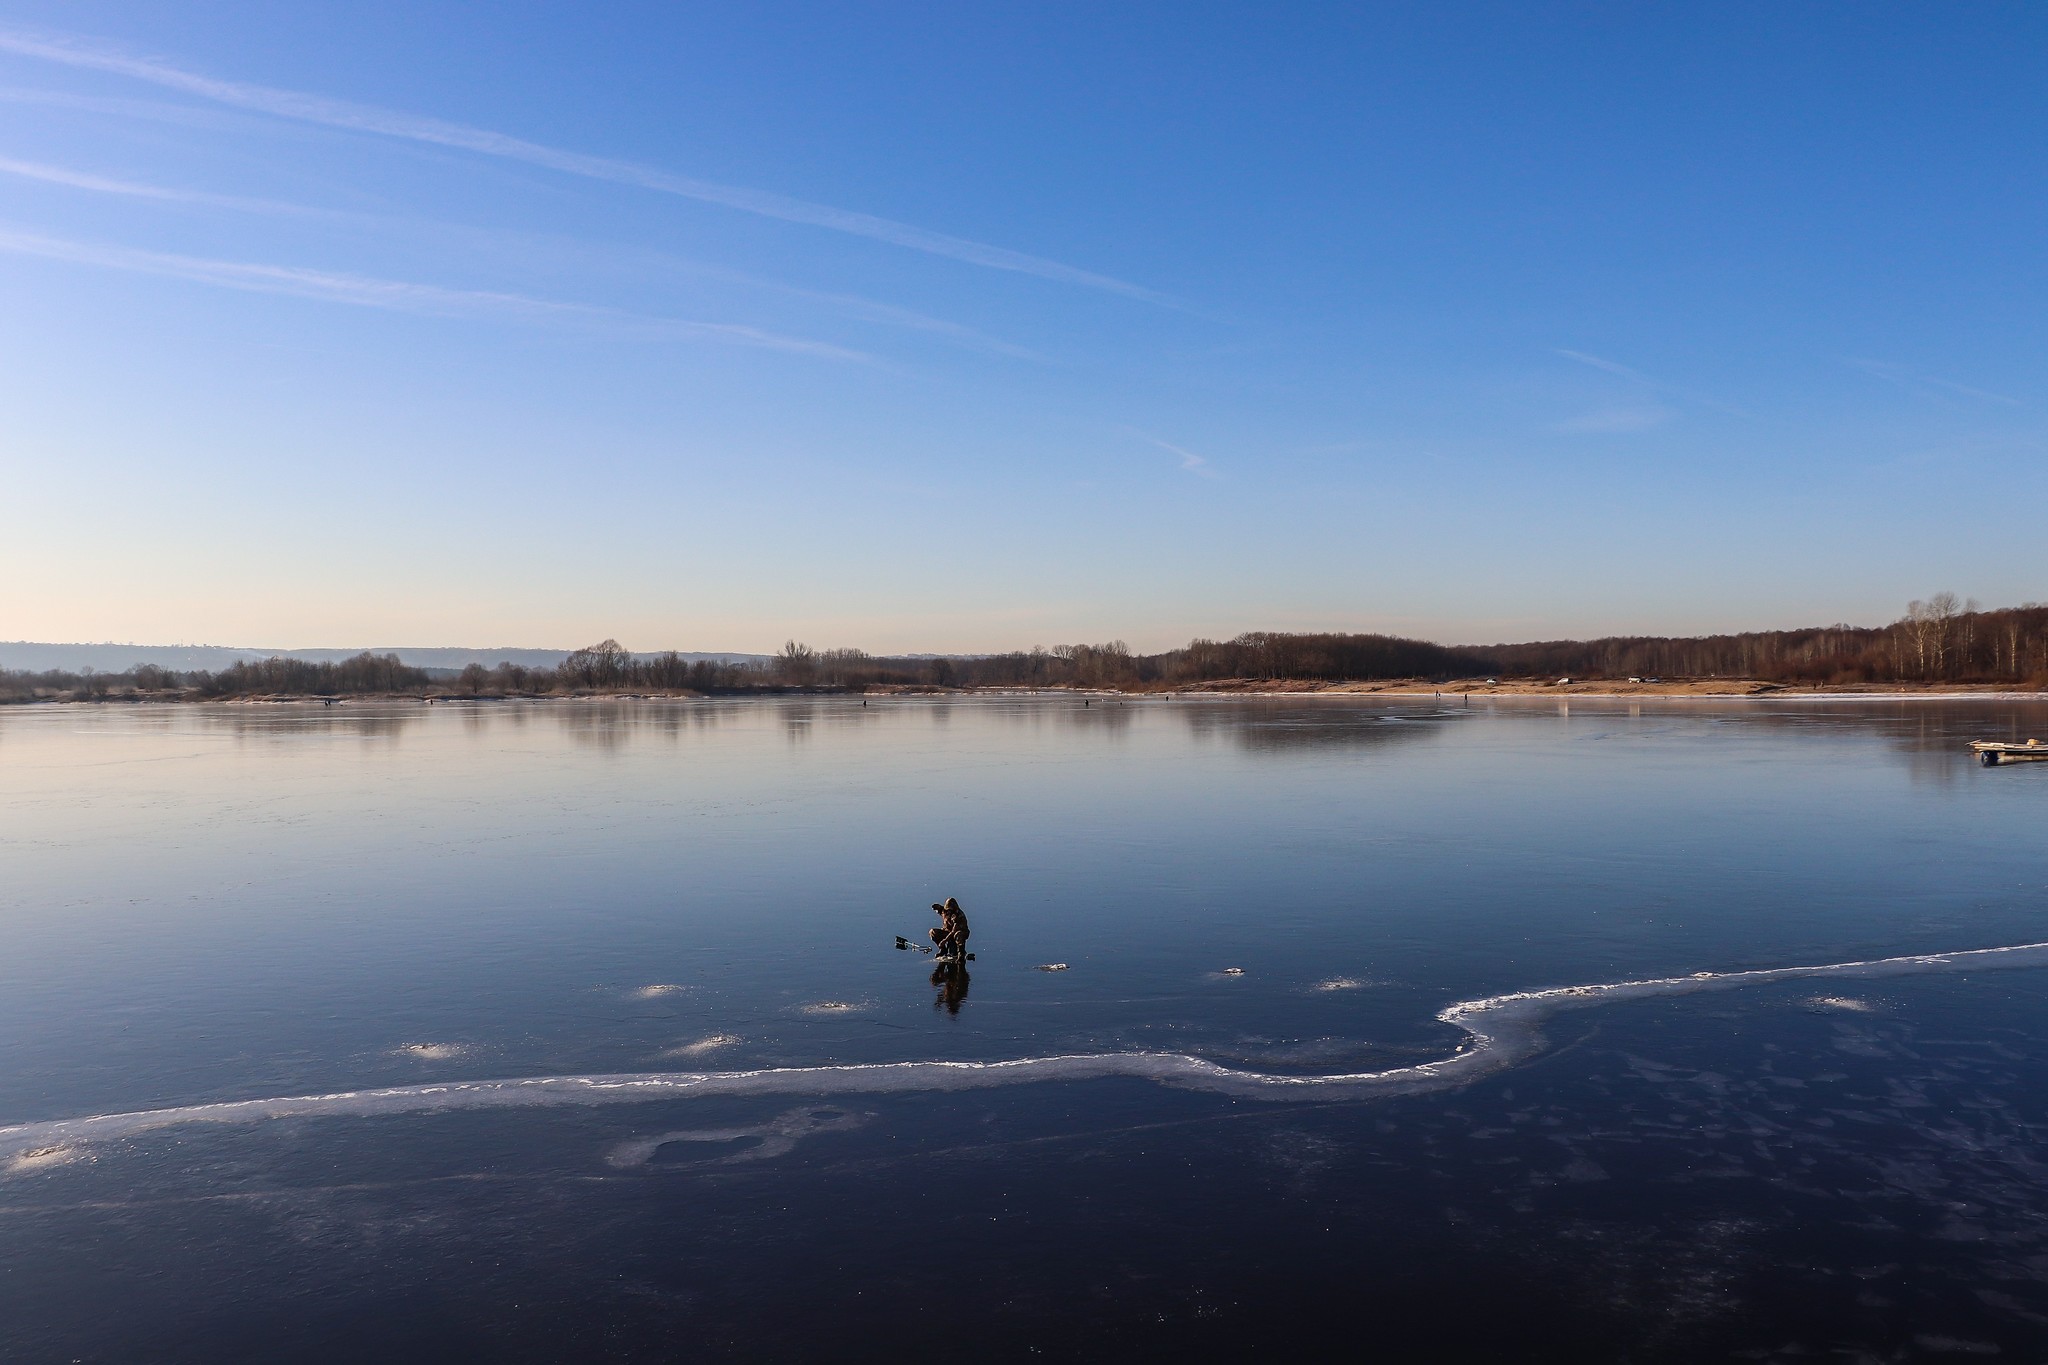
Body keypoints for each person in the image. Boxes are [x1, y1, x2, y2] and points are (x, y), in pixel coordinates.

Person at [928, 897, 971, 961]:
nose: (949, 911)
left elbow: (954, 931)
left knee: (958, 934)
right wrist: (936, 907)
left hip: (959, 932)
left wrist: (944, 941)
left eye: (950, 910)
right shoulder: (944, 911)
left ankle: (961, 953)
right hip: (947, 932)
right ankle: (943, 950)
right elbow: (940, 910)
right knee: (932, 932)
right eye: (948, 909)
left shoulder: (959, 915)